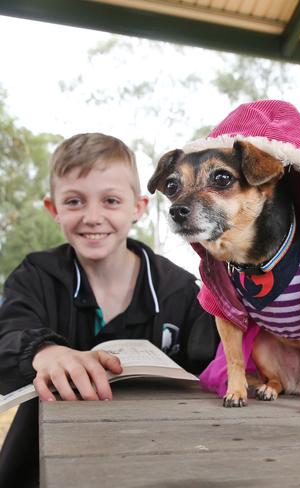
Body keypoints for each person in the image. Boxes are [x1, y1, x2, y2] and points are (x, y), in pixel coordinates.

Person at [0, 133, 217, 487]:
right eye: (74, 201)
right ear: (52, 209)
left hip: (153, 464)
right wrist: (44, 352)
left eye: (111, 200)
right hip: (38, 467)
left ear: (138, 207)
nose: (93, 217)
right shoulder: (36, 275)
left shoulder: (180, 289)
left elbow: (217, 365)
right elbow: (8, 333)